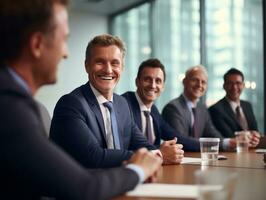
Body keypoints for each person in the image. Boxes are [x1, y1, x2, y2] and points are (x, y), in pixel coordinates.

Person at [0, 0, 162, 199]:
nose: (66, 53)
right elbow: (85, 185)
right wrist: (138, 169)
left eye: (114, 63)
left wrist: (151, 155)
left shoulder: (18, 102)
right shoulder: (10, 107)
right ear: (37, 45)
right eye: (63, 39)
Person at [50, 34, 183, 168]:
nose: (108, 70)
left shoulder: (122, 103)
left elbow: (141, 144)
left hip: (118, 180)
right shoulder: (71, 104)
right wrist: (158, 155)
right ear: (87, 66)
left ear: (122, 68)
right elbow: (93, 156)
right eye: (100, 62)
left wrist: (163, 151)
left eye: (115, 63)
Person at [162, 65, 258, 150]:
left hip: (198, 160)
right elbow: (181, 141)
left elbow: (213, 134)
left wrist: (227, 142)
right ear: (184, 82)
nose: (199, 85)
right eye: (195, 80)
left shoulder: (202, 109)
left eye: (203, 82)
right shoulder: (173, 108)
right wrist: (226, 143)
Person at [122, 58, 200, 152]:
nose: (153, 86)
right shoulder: (124, 103)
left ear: (163, 87)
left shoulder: (153, 110)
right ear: (137, 82)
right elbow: (134, 146)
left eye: (158, 81)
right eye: (147, 79)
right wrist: (162, 150)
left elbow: (176, 137)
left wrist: (207, 146)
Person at [209, 68, 260, 146]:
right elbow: (228, 136)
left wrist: (256, 136)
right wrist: (249, 136)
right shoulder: (215, 109)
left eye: (238, 83)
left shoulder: (247, 105)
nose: (234, 87)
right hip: (231, 153)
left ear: (243, 85)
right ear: (224, 86)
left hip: (251, 150)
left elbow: (255, 130)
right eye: (230, 83)